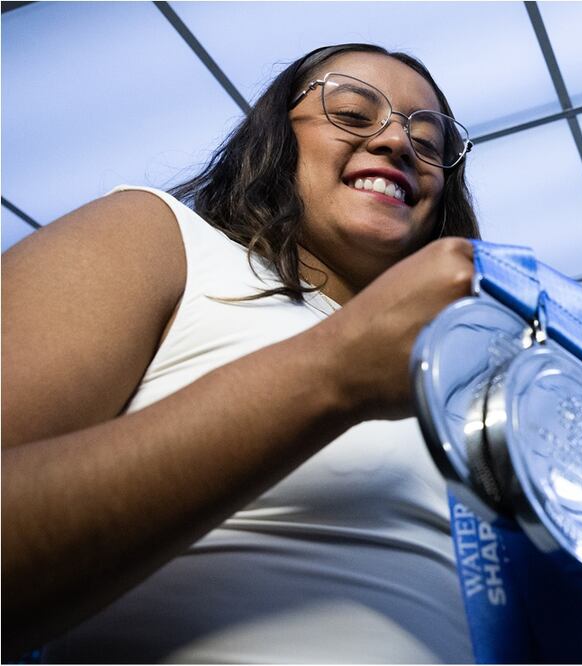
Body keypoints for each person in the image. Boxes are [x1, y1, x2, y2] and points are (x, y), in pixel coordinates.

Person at [2, 43, 482, 663]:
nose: (397, 142)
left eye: (428, 143)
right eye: (352, 114)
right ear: (276, 137)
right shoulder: (159, 239)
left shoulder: (461, 383)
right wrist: (333, 370)